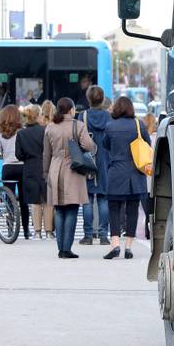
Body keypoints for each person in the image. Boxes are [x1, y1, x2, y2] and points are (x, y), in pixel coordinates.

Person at [43, 97, 95, 259]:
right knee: (72, 209)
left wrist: (45, 172)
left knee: (59, 210)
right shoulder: (78, 126)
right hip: (73, 169)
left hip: (55, 168)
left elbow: (46, 153)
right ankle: (67, 248)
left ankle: (61, 249)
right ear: (71, 110)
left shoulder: (50, 127)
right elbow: (89, 146)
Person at [103, 96, 151, 260]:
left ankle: (115, 243)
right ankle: (129, 247)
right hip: (135, 174)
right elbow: (147, 144)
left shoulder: (110, 126)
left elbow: (105, 145)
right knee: (132, 209)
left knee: (114, 208)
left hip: (116, 172)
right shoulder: (138, 124)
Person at [77, 85, 110, 246]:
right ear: (102, 99)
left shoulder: (82, 116)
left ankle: (88, 235)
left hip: (87, 160)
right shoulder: (109, 117)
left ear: (88, 99)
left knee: (87, 200)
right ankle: (104, 235)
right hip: (105, 161)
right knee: (103, 199)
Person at [0, 104, 29, 239]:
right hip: (22, 167)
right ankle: (26, 231)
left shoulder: (0, 134)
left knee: (9, 201)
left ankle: (10, 230)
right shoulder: (23, 131)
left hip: (7, 168)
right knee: (23, 201)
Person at [15, 104, 48, 239]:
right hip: (45, 166)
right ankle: (49, 231)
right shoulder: (45, 131)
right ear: (38, 116)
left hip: (29, 168)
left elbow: (19, 155)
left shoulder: (21, 133)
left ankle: (37, 232)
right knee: (47, 200)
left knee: (34, 201)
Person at [38, 100, 57, 238]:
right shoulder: (56, 127)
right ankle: (51, 229)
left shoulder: (39, 129)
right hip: (55, 166)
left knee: (39, 200)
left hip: (39, 167)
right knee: (52, 200)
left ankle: (38, 230)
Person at [142, 113, 159, 240]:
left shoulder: (141, 141)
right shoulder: (157, 138)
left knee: (147, 209)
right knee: (154, 208)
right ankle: (152, 231)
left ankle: (147, 232)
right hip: (155, 179)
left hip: (143, 179)